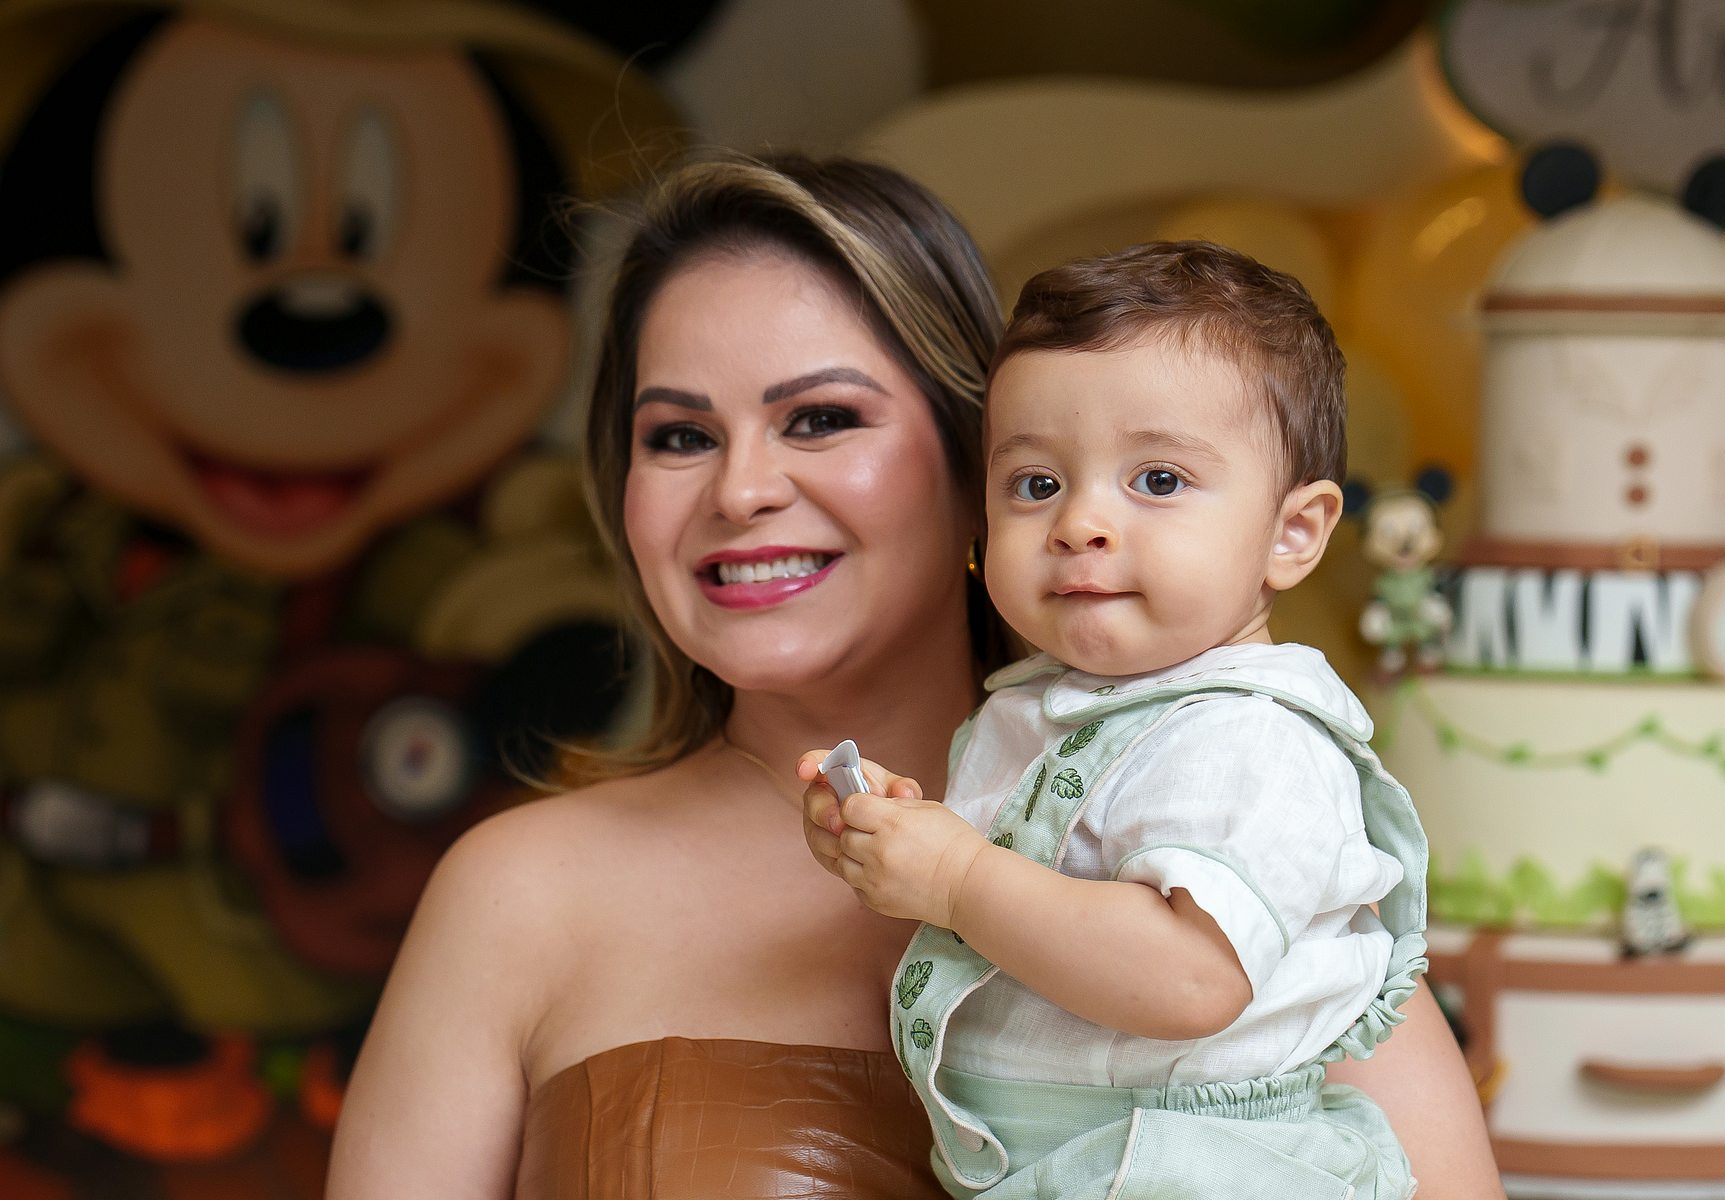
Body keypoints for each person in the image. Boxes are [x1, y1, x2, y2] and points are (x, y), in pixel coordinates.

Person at [326, 155, 1502, 1200]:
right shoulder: (519, 894)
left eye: (820, 419)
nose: (740, 490)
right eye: (679, 435)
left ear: (970, 463)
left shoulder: (1249, 823)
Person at [800, 240, 1425, 1198]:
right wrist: (898, 836)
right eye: (1036, 484)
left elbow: (1190, 977)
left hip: (1195, 1167)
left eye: (1158, 481)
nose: (1078, 523)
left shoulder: (1251, 736)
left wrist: (960, 878)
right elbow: (1032, 895)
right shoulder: (1040, 706)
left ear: (1292, 533)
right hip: (1078, 1160)